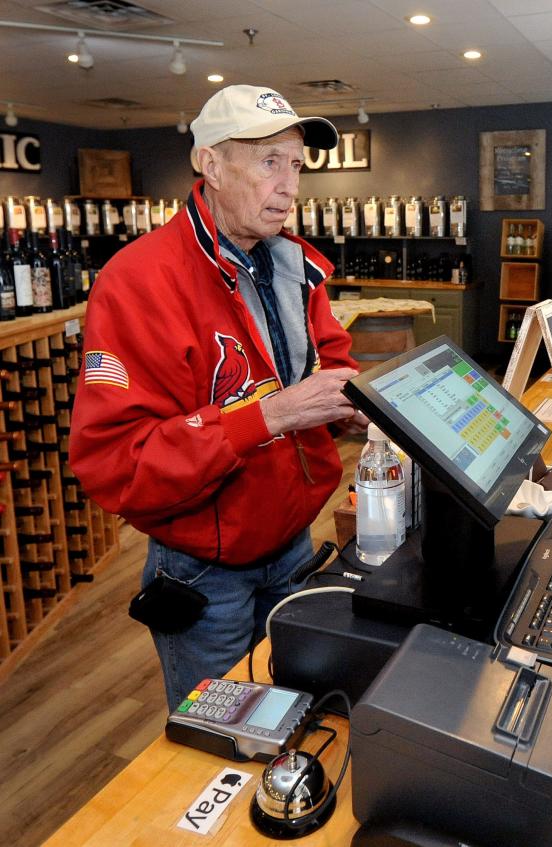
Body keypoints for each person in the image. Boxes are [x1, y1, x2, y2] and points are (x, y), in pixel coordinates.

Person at [69, 86, 367, 711]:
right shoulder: (139, 282)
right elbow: (116, 461)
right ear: (210, 164)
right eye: (269, 163)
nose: (289, 187)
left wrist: (363, 407)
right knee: (219, 748)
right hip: (207, 573)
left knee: (296, 718)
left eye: (296, 165)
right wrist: (274, 414)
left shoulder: (288, 264)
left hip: (294, 544)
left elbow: (332, 361)